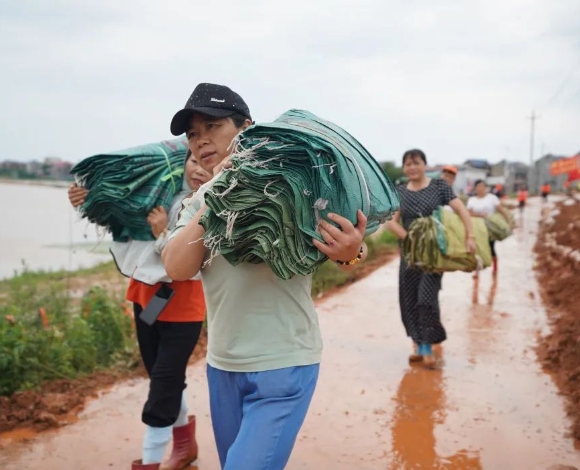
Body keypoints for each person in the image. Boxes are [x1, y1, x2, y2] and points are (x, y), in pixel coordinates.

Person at [161, 83, 369, 469]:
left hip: (284, 362)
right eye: (193, 134)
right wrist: (222, 191)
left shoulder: (288, 182)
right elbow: (177, 266)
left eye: (213, 126)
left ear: (247, 127)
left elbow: (352, 242)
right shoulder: (198, 199)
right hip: (223, 365)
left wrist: (351, 253)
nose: (202, 140)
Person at [68, 153, 210, 470]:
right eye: (193, 162)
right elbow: (117, 211)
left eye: (205, 163)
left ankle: (149, 462)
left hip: (184, 306)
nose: (199, 170)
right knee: (162, 377)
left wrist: (162, 232)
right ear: (181, 164)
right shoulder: (158, 193)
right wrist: (85, 199)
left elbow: (189, 262)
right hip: (147, 299)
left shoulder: (208, 205)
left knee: (163, 384)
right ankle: (185, 444)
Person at [385, 149, 475, 368]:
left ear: (425, 165)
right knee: (408, 300)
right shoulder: (399, 191)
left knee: (426, 300)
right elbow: (391, 221)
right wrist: (411, 237)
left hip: (433, 255)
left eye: (416, 163)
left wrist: (469, 235)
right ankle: (417, 343)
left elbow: (461, 209)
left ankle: (427, 345)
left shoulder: (439, 187)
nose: (412, 168)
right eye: (407, 164)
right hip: (409, 254)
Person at [467, 179, 511, 275]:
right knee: (477, 249)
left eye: (483, 186)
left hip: (490, 228)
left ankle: (495, 268)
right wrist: (479, 216)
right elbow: (468, 213)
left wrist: (507, 222)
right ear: (475, 188)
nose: (481, 189)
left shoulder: (492, 198)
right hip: (477, 228)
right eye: (478, 187)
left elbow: (501, 210)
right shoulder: (472, 200)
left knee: (491, 247)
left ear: (485, 188)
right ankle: (476, 270)